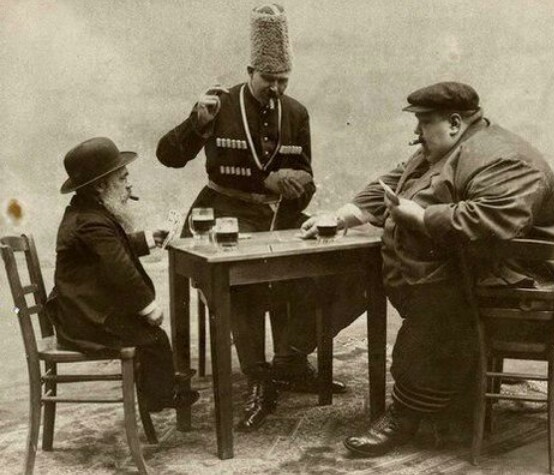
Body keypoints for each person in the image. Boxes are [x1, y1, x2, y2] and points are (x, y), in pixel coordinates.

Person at [301, 81, 554, 456]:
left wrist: (422, 217)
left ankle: (407, 413)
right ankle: (454, 405)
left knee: (440, 301)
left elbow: (490, 222)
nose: (416, 134)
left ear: (454, 123)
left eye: (423, 124)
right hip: (522, 270)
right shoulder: (444, 149)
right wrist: (343, 216)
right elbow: (394, 183)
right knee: (444, 291)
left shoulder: (504, 159)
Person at [156, 4, 354, 431]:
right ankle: (259, 379)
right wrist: (196, 123)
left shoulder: (297, 113)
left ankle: (290, 362)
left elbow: (308, 176)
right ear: (250, 71)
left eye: (284, 80)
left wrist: (299, 187)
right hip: (223, 214)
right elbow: (167, 156)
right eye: (269, 80)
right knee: (240, 283)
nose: (277, 89)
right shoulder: (218, 105)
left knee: (312, 275)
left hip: (278, 218)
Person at [47, 137, 199, 413]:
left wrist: (150, 238)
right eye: (123, 178)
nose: (129, 184)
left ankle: (159, 385)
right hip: (85, 320)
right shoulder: (91, 222)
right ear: (101, 185)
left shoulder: (88, 214)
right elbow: (119, 267)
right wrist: (148, 307)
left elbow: (113, 248)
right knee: (153, 336)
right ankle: (160, 395)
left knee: (150, 336)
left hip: (82, 311)